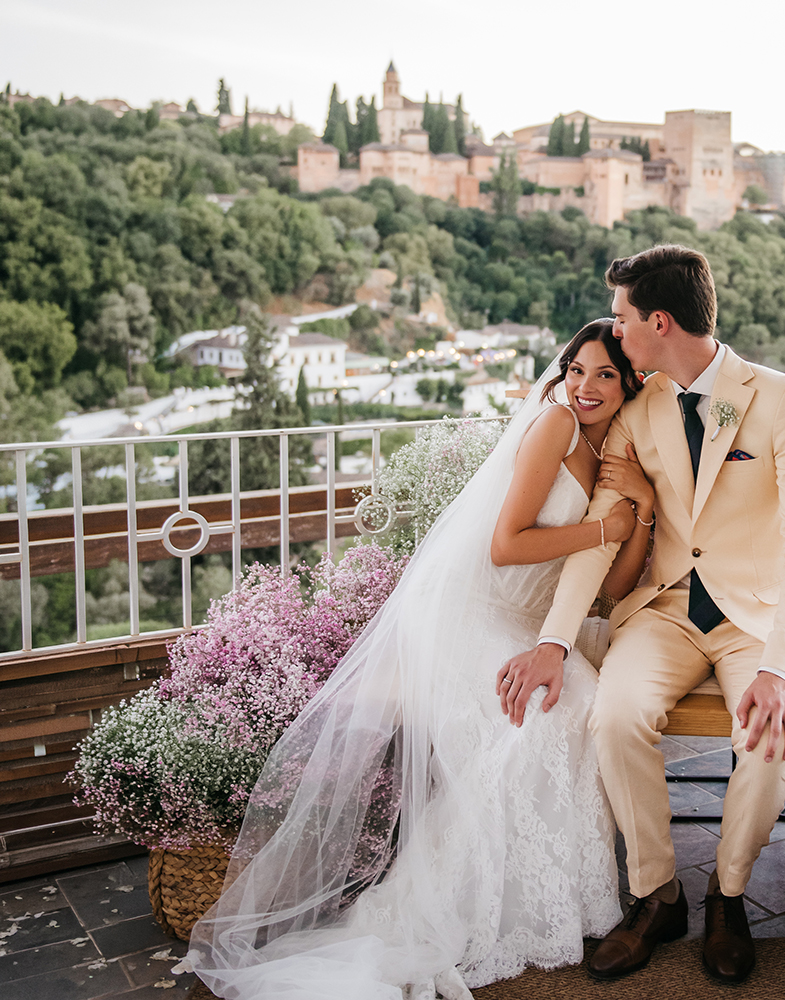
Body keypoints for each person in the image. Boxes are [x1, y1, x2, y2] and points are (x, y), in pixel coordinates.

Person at [189, 320, 654, 1000]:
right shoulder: (555, 423)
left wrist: (637, 510)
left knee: (585, 707)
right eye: (577, 369)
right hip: (473, 617)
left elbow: (614, 585)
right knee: (541, 718)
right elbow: (505, 544)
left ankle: (566, 902)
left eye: (606, 375)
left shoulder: (612, 447)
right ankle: (470, 907)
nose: (586, 386)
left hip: (534, 623)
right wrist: (606, 525)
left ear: (629, 384)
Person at [500, 245, 785, 985]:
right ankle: (658, 895)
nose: (612, 333)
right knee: (614, 715)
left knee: (769, 734)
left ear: (658, 321)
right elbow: (605, 524)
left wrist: (784, 665)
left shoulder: (780, 397)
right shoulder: (639, 409)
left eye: (621, 320)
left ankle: (729, 894)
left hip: (763, 618)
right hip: (666, 610)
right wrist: (555, 639)